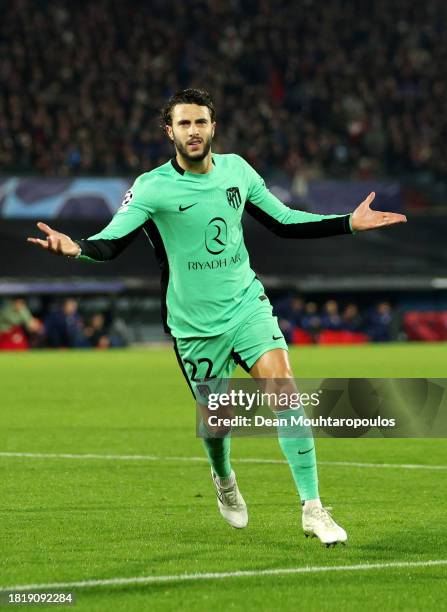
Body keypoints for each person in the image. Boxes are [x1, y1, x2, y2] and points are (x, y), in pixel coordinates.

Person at [27, 88, 407, 546]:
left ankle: (313, 508)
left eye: (200, 122)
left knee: (284, 390)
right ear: (169, 131)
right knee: (217, 419)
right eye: (183, 124)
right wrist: (76, 248)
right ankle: (223, 477)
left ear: (213, 127)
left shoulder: (237, 171)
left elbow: (283, 221)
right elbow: (110, 243)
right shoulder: (152, 187)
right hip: (194, 326)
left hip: (246, 306)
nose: (193, 131)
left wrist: (347, 221)